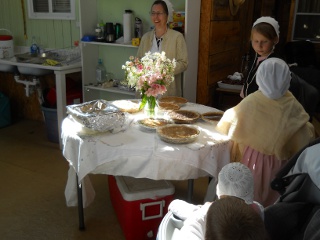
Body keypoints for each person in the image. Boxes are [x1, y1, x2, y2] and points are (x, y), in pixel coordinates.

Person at [217, 58, 315, 207]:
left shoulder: (252, 101)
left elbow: (230, 119)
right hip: (281, 165)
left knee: (249, 196)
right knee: (274, 200)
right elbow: (305, 132)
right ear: (287, 79)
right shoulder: (291, 103)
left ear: (260, 77)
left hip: (251, 160)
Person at [165, 163, 264, 240]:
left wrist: (175, 205)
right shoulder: (257, 210)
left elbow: (185, 211)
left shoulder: (204, 214)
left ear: (219, 191)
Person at [137, 0, 188, 97]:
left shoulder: (177, 37)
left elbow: (184, 63)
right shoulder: (145, 38)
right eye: (153, 13)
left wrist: (164, 70)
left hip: (168, 92)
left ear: (167, 16)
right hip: (147, 92)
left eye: (159, 13)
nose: (156, 17)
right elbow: (138, 61)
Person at [241, 16, 280, 98]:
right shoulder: (256, 59)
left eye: (264, 41)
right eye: (256, 41)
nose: (259, 46)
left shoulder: (274, 64)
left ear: (275, 40)